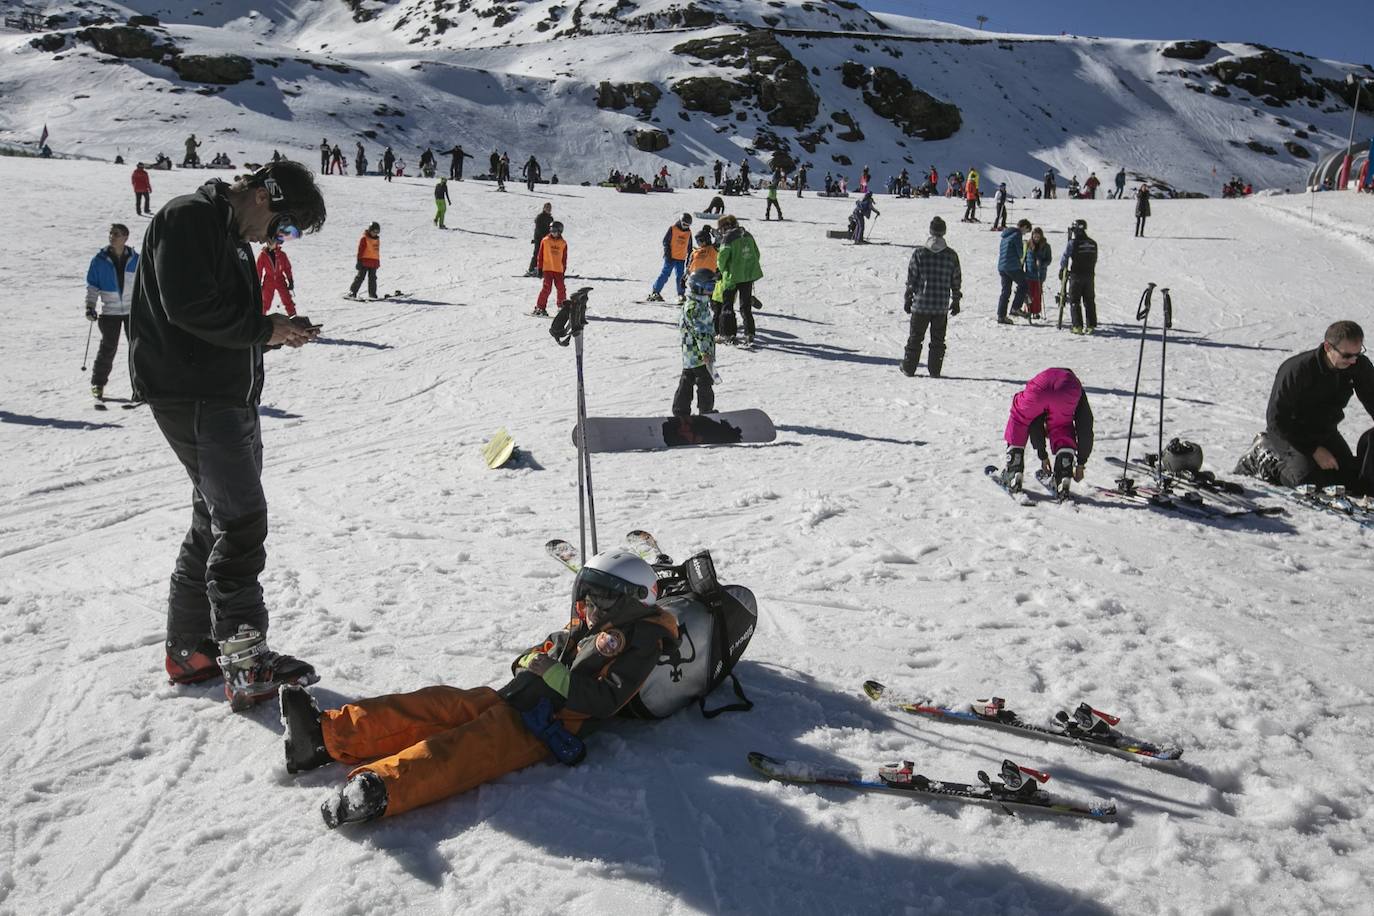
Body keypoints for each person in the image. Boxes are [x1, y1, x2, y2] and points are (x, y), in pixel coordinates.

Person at [280, 549, 680, 828]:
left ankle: (380, 789)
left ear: (632, 601)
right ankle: (323, 736)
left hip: (545, 725)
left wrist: (550, 674)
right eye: (589, 595)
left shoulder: (643, 639)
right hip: (516, 697)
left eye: (602, 599)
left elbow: (606, 700)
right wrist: (531, 659)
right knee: (435, 704)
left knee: (463, 748)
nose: (590, 605)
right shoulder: (593, 621)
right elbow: (552, 646)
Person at [128, 161, 326, 707]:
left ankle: (192, 650)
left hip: (222, 394)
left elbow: (223, 319)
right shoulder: (189, 217)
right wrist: (265, 328)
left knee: (213, 519)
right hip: (196, 396)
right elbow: (189, 309)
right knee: (240, 523)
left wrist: (274, 334)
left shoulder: (229, 235)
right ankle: (245, 662)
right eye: (286, 228)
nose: (281, 240)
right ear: (264, 196)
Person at [1236, 321, 1374, 495]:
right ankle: (1264, 456)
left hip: (1325, 431)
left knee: (1349, 481)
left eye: (1358, 353)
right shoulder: (1297, 370)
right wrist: (1314, 450)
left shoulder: (1358, 365)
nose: (1353, 360)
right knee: (1307, 483)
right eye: (1347, 355)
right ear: (1328, 347)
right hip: (1290, 434)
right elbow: (1277, 420)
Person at [997, 368, 1095, 496]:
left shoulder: (1047, 377)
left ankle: (1014, 470)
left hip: (1039, 386)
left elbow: (1035, 421)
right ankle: (1063, 473)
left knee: (1020, 417)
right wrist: (1081, 463)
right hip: (1068, 391)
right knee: (1062, 426)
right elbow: (1085, 427)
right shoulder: (1077, 389)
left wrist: (1042, 454)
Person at [900, 216, 961, 379]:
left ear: (930, 231)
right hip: (940, 305)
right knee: (938, 340)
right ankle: (934, 370)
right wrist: (956, 300)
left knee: (915, 337)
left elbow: (912, 278)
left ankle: (909, 367)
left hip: (921, 304)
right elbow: (956, 280)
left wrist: (908, 297)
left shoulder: (920, 253)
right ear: (944, 232)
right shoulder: (951, 255)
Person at [84, 223, 139, 400]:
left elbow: (144, 284)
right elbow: (93, 286)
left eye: (116, 234)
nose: (112, 237)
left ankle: (141, 387)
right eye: (110, 233)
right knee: (108, 349)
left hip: (133, 312)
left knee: (138, 349)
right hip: (110, 313)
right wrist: (90, 306)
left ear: (125, 237)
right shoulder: (99, 260)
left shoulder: (136, 259)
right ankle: (97, 384)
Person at [675, 268, 718, 417]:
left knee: (687, 380)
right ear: (698, 287)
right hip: (699, 354)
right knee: (705, 381)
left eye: (713, 287)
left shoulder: (693, 304)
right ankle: (706, 410)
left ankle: (680, 410)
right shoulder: (696, 307)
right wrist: (706, 352)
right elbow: (701, 332)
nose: (711, 291)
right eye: (709, 287)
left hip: (689, 353)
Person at [716, 214, 763, 346]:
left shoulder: (728, 238)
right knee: (745, 306)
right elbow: (756, 254)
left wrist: (723, 270)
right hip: (747, 276)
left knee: (727, 306)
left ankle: (728, 333)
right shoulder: (747, 235)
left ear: (725, 226)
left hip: (731, 278)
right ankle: (749, 333)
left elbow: (721, 259)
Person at [1061, 219, 1099, 333]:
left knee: (1075, 300)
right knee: (1089, 300)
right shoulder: (1093, 243)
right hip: (1090, 275)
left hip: (1076, 275)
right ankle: (1091, 325)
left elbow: (1065, 257)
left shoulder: (1073, 243)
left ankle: (1077, 326)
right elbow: (1095, 258)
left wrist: (1062, 269)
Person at [647, 213, 694, 303]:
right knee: (665, 274)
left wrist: (689, 259)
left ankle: (681, 294)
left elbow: (690, 247)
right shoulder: (673, 229)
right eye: (684, 224)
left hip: (681, 258)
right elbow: (665, 241)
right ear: (680, 222)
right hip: (671, 257)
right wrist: (667, 253)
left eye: (688, 225)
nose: (685, 227)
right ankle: (655, 292)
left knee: (680, 277)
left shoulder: (688, 232)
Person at [996, 219, 1032, 324]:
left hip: (1002, 266)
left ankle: (1001, 316)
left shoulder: (1005, 235)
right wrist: (1025, 246)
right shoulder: (1017, 234)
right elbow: (1020, 253)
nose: (1025, 233)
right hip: (1012, 266)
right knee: (1024, 284)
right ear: (1024, 227)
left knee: (1005, 291)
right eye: (1026, 231)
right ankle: (1015, 308)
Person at [533, 221, 567, 317]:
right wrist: (539, 268)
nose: (553, 233)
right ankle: (540, 307)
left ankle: (562, 306)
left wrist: (563, 270)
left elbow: (564, 258)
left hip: (558, 270)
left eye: (555, 231)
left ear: (560, 231)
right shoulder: (545, 240)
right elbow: (540, 255)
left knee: (561, 288)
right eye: (551, 230)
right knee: (546, 288)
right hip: (547, 269)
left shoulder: (563, 243)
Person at [256, 236, 295, 317]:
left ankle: (293, 316)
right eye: (268, 243)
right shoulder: (263, 255)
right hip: (269, 280)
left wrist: (290, 280)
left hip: (280, 280)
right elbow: (258, 270)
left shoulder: (282, 255)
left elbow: (287, 268)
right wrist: (258, 282)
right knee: (265, 301)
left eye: (272, 242)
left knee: (287, 298)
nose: (270, 245)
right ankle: (261, 318)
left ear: (276, 243)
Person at [1022, 226, 1052, 321]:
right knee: (1028, 293)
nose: (1036, 239)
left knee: (1037, 293)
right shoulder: (1028, 244)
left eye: (1038, 237)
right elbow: (1024, 257)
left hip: (1040, 273)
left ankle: (1036, 311)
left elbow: (1049, 259)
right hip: (1029, 273)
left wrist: (1042, 263)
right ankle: (1028, 309)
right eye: (1035, 237)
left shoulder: (1046, 246)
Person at [349, 222, 381, 299]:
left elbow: (376, 251)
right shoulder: (364, 239)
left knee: (373, 279)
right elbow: (360, 250)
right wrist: (359, 261)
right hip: (364, 261)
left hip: (373, 262)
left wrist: (377, 261)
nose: (375, 233)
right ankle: (353, 292)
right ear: (370, 230)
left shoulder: (377, 240)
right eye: (374, 231)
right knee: (360, 277)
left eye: (377, 232)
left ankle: (372, 294)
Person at [527, 202, 554, 276]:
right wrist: (543, 236)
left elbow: (551, 229)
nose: (549, 209)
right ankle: (531, 269)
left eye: (550, 208)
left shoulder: (550, 218)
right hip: (539, 238)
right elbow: (538, 228)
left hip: (547, 239)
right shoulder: (540, 217)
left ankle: (542, 268)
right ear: (544, 208)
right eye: (547, 208)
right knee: (537, 253)